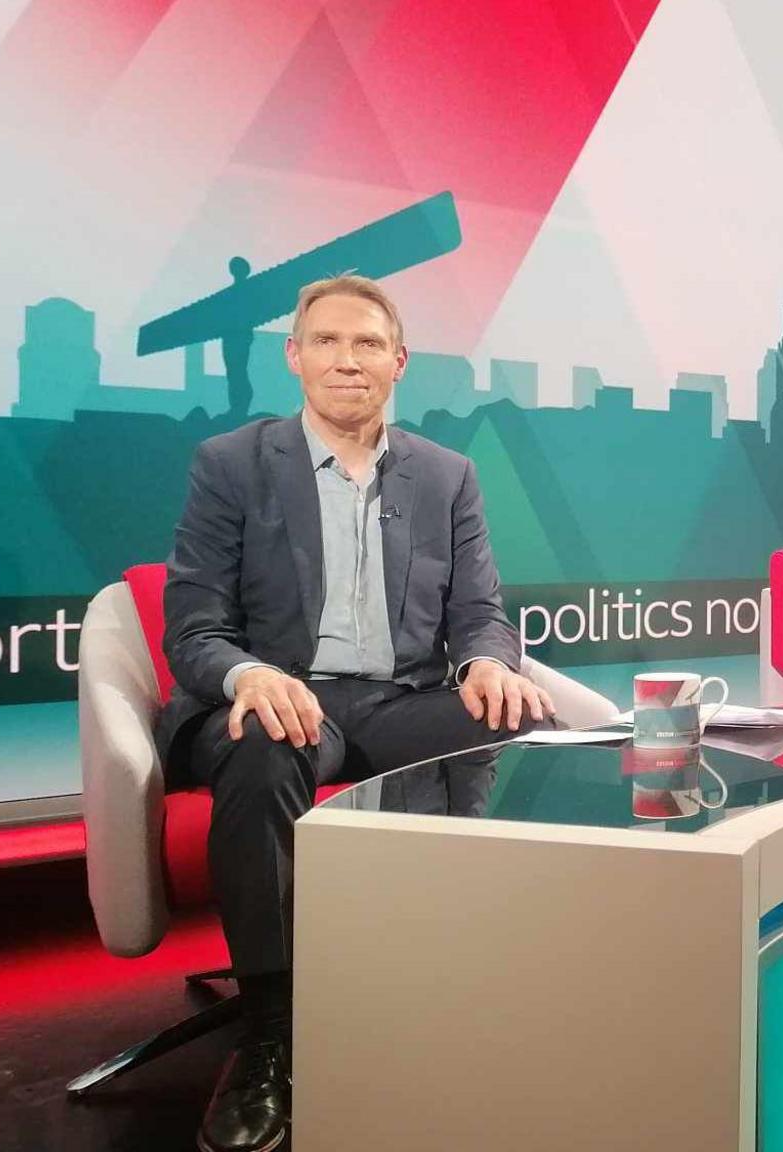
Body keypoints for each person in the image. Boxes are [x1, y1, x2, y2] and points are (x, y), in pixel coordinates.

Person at [158, 275, 552, 1152]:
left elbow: (480, 610)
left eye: (369, 344)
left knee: (511, 717)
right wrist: (245, 674)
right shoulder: (231, 463)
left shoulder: (448, 475)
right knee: (261, 744)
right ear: (294, 358)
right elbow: (193, 625)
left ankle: (464, 973)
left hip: (393, 700)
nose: (349, 359)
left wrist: (488, 660)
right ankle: (270, 1030)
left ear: (399, 363)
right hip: (284, 696)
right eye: (328, 342)